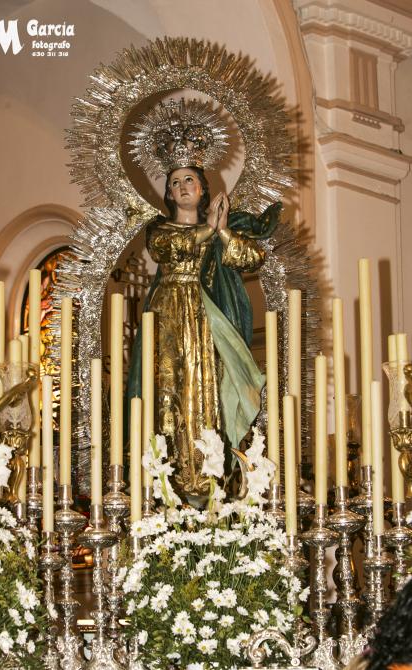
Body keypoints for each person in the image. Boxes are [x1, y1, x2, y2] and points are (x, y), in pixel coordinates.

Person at [128, 100, 280, 499]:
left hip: (207, 316)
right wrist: (210, 229)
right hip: (168, 316)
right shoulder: (159, 229)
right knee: (167, 390)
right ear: (168, 193)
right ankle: (168, 478)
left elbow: (250, 257)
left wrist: (223, 230)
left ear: (202, 187)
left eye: (189, 180)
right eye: (175, 182)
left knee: (207, 387)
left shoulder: (219, 229)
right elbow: (168, 247)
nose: (182, 187)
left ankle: (209, 475)